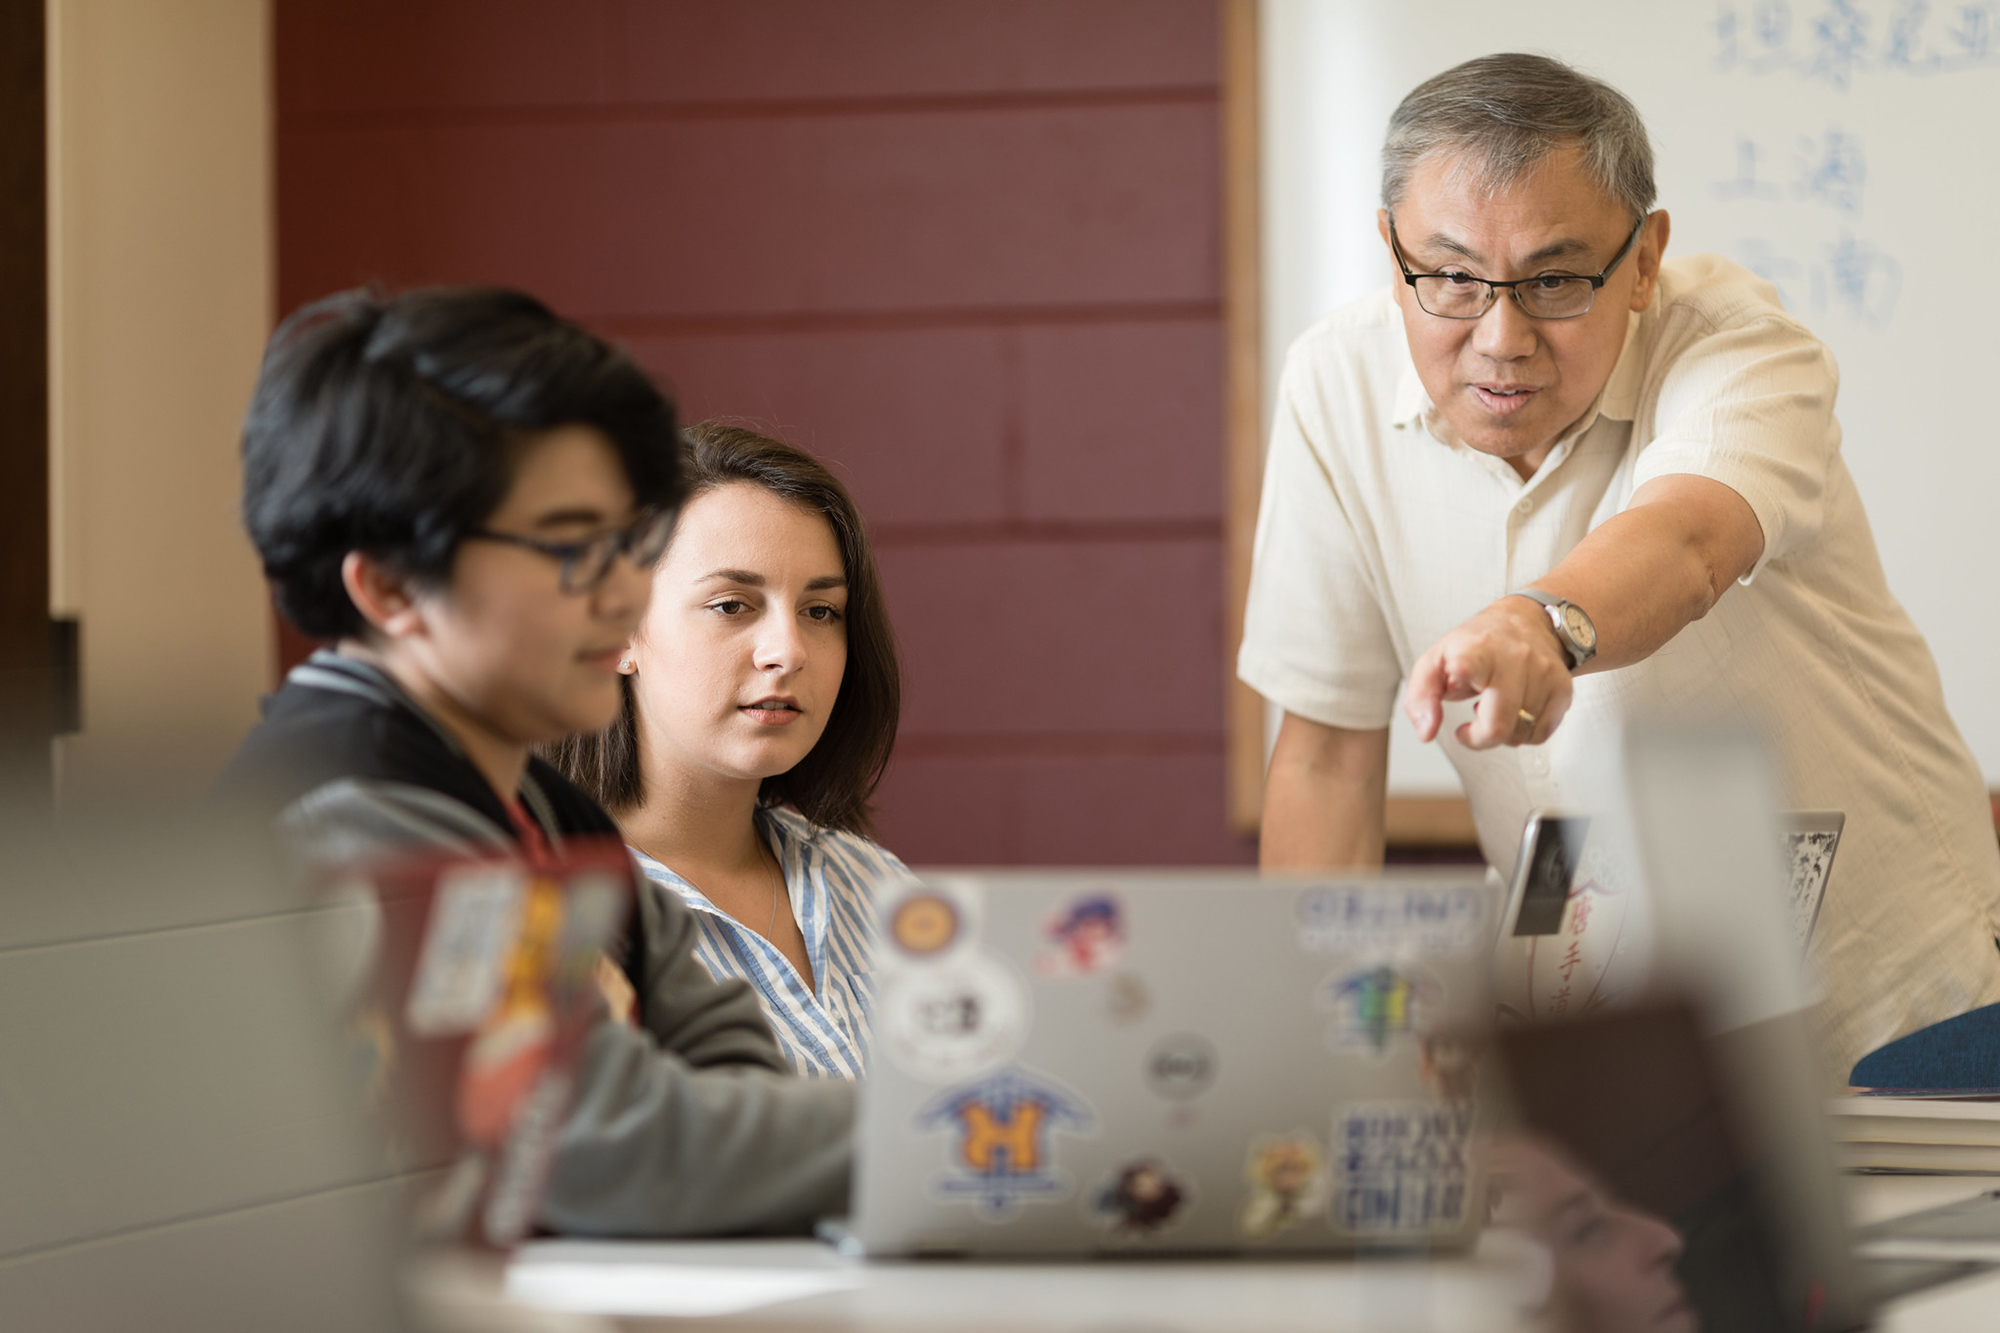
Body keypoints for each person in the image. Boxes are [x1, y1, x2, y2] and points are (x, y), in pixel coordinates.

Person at [1237, 52, 2000, 1073]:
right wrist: (1305, 1059)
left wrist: (1537, 623)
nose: (1499, 338)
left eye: (1553, 279)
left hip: (1894, 1015)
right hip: (1618, 1048)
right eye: (1451, 278)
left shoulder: (1737, 344)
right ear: (1391, 255)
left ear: (1643, 259)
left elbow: (1686, 543)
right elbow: (1325, 754)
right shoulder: (1331, 384)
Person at [215, 286, 852, 1236]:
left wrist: (717, 1140)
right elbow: (611, 1150)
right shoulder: (351, 810)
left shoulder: (545, 810)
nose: (623, 592)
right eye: (568, 546)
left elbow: (735, 1080)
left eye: (626, 544)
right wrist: (954, 1122)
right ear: (391, 583)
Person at [544, 423, 908, 1079]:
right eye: (732, 604)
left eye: (821, 611)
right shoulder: (545, 912)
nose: (788, 650)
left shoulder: (873, 882)